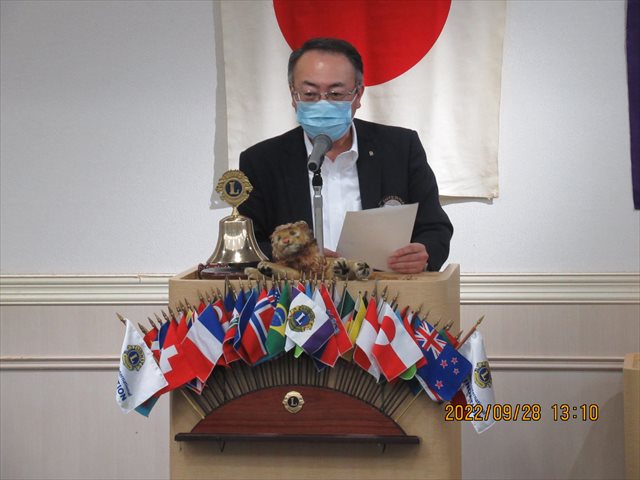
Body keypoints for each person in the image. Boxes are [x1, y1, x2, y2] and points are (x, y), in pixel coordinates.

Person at [238, 37, 453, 273]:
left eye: (336, 94)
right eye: (309, 93)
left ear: (358, 95)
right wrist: (293, 259)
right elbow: (248, 245)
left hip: (385, 290)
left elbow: (435, 228)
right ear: (293, 95)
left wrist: (423, 253)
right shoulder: (261, 161)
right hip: (297, 293)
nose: (322, 104)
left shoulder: (400, 148)